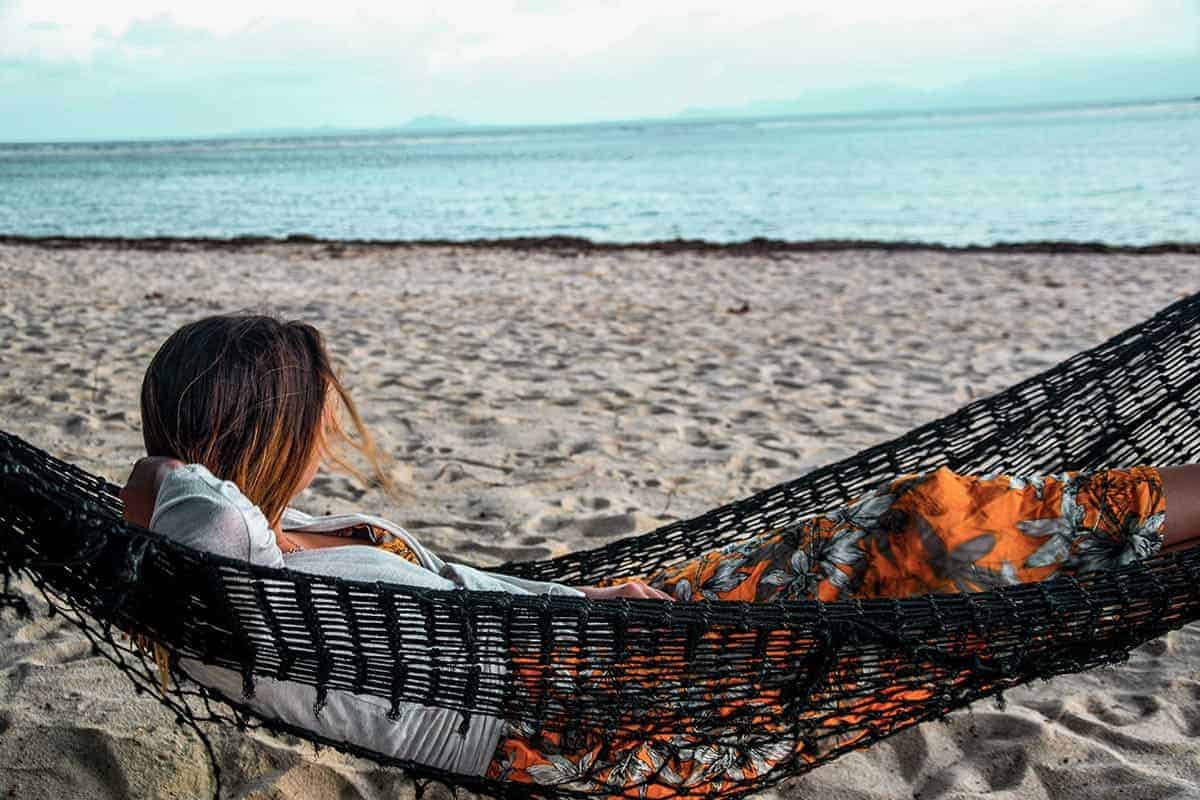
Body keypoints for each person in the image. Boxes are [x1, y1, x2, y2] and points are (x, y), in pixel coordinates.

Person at [121, 314, 1200, 788]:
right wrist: (161, 468)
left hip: (600, 638)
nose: (323, 437)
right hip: (584, 710)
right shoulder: (221, 558)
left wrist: (596, 602)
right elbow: (200, 518)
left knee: (909, 517)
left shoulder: (255, 544)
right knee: (933, 536)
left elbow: (440, 610)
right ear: (256, 426)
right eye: (312, 414)